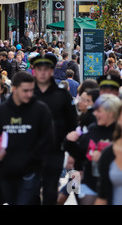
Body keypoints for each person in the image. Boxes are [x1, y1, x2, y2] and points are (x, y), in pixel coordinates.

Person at [30, 53, 78, 205]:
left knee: (50, 189)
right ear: (35, 71)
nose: (43, 72)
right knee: (31, 190)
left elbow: (72, 125)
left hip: (54, 151)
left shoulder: (62, 95)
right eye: (39, 69)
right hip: (31, 152)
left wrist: (72, 154)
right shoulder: (27, 95)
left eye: (47, 69)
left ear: (52, 71)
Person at [0, 71, 54, 205]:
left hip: (31, 170)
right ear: (14, 88)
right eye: (25, 91)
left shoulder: (40, 110)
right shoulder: (3, 111)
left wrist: (33, 158)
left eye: (31, 90)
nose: (29, 94)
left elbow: (49, 138)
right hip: (7, 171)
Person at [63, 94, 121, 205]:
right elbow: (79, 152)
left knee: (64, 195)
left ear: (111, 113)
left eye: (99, 111)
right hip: (88, 181)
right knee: (62, 197)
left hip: (115, 186)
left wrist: (105, 155)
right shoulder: (92, 127)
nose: (95, 114)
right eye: (81, 99)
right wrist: (68, 141)